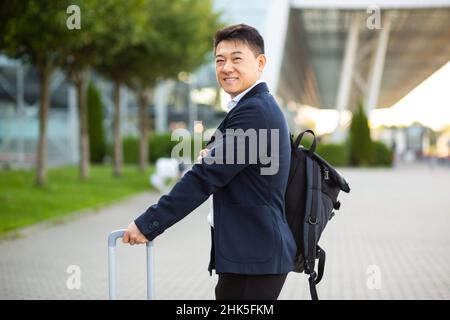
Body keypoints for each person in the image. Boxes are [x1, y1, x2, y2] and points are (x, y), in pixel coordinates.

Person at [122, 23, 297, 300]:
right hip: (250, 255)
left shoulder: (255, 111)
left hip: (255, 258)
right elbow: (225, 167)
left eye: (236, 58)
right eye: (220, 60)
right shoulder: (251, 107)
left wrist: (149, 223)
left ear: (260, 62)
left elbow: (204, 177)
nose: (226, 67)